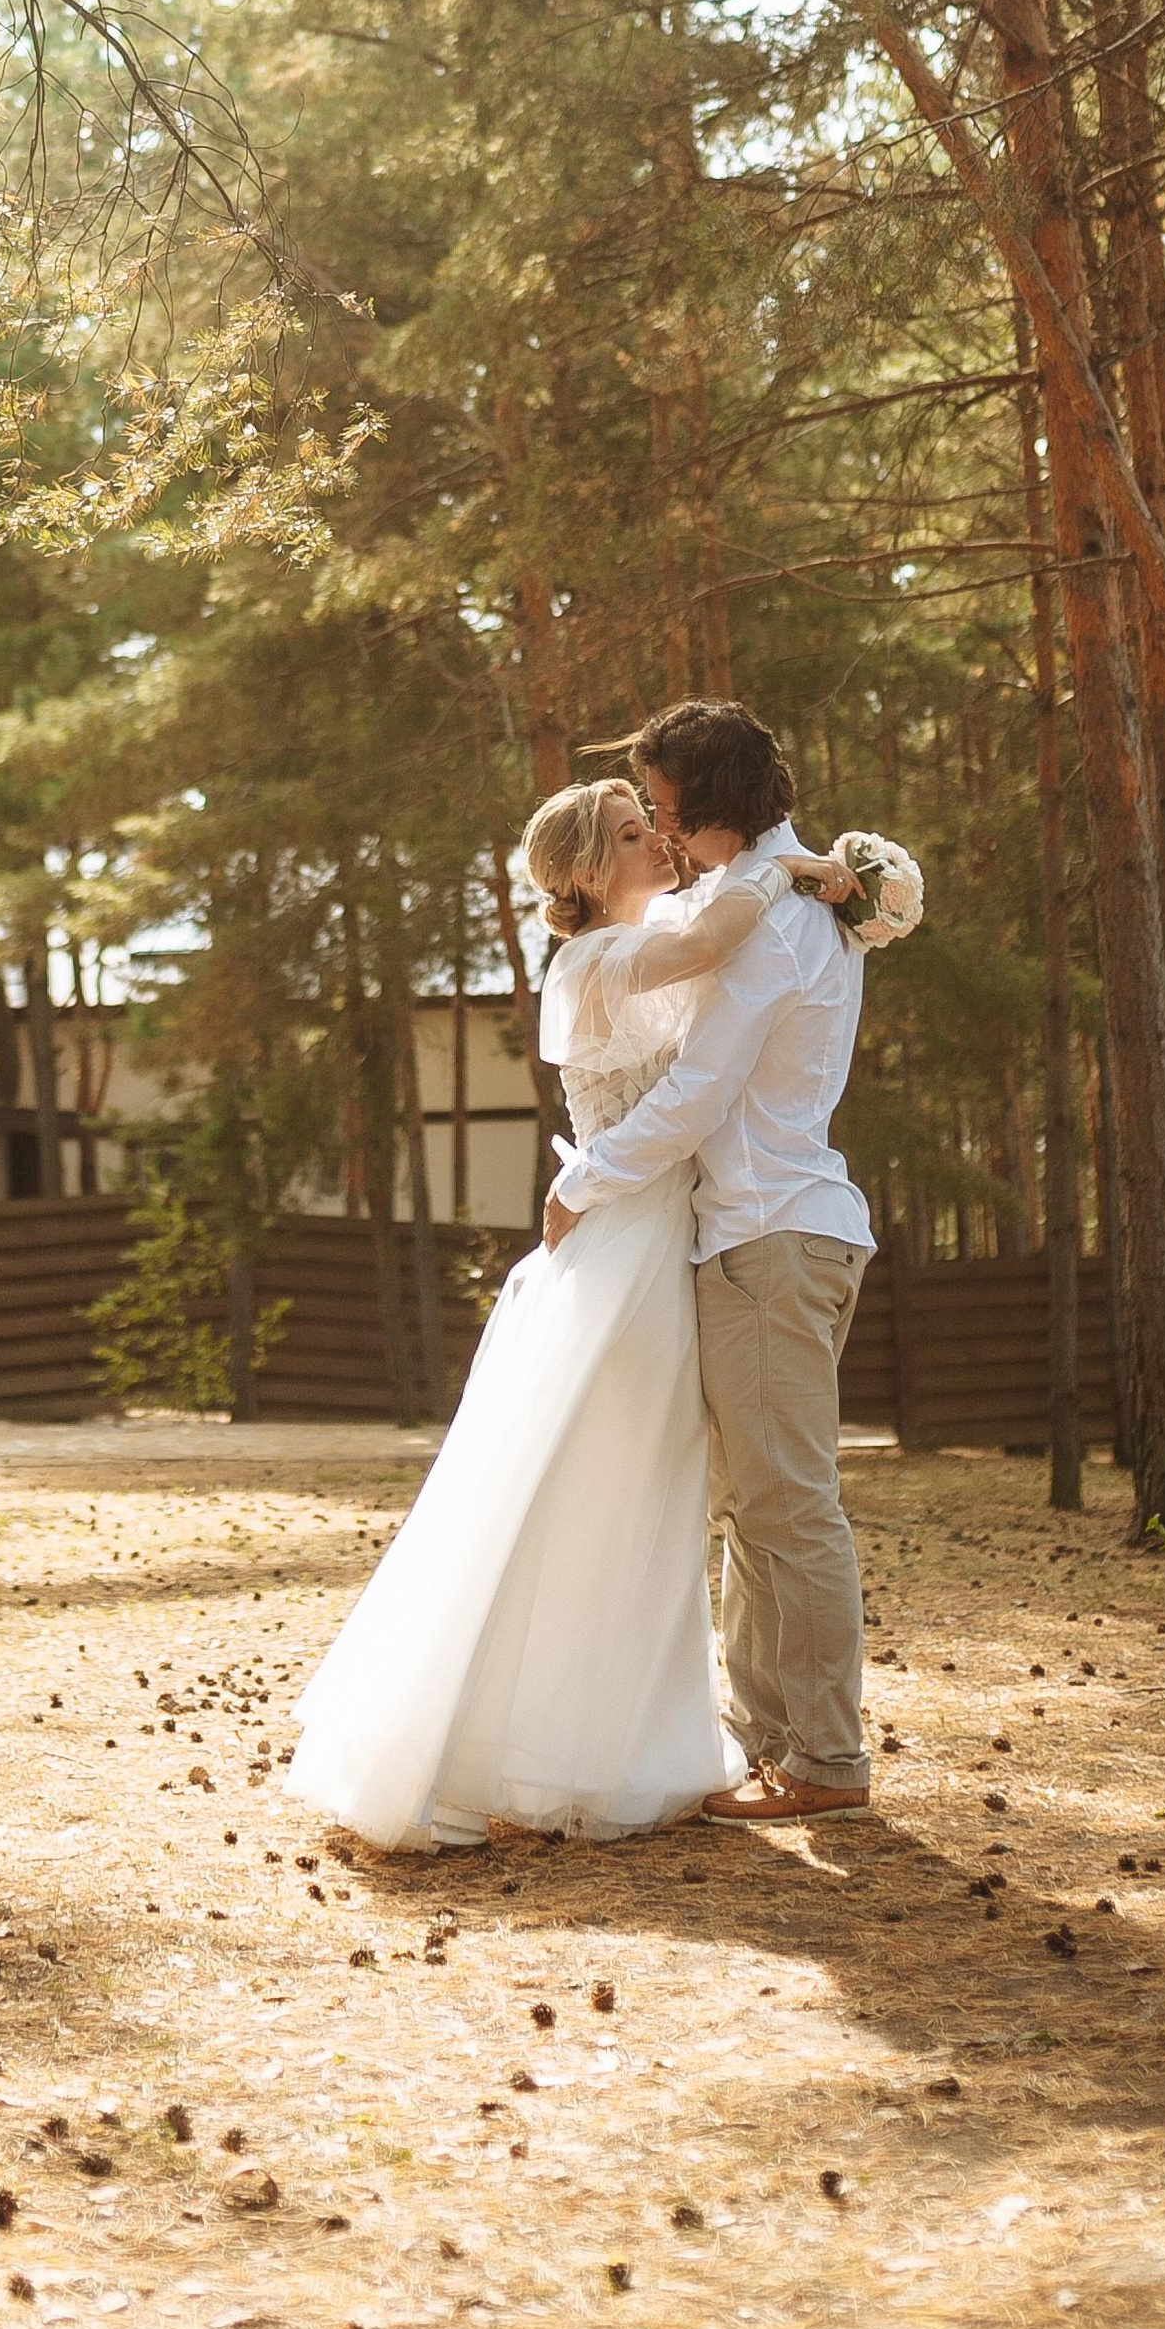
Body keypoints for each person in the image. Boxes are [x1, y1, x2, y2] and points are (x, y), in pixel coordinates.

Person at [286, 779, 872, 1850]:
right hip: (630, 1244)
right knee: (601, 1484)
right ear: (586, 872)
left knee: (653, 1492)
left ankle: (625, 1735)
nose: (656, 840)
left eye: (654, 823)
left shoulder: (647, 941)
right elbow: (718, 942)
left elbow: (718, 961)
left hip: (668, 1237)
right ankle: (536, 1743)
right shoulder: (598, 958)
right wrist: (787, 864)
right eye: (632, 833)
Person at [545, 700, 915, 1826]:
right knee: (755, 1507)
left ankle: (825, 1761)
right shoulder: (773, 893)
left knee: (788, 1507)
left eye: (660, 806)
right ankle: (775, 1746)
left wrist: (584, 1180)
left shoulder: (781, 919)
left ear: (705, 807)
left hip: (770, 1230)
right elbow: (691, 921)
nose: (655, 826)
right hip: (755, 1232)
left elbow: (701, 1089)